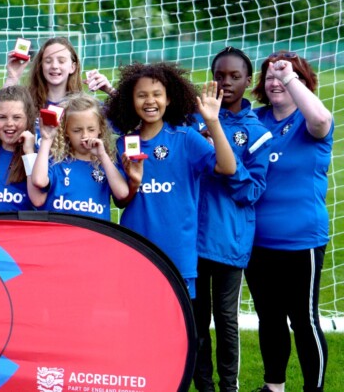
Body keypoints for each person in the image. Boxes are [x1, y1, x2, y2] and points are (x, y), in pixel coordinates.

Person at [104, 62, 237, 299]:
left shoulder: (185, 138)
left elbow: (228, 168)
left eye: (157, 94)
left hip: (177, 255)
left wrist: (213, 122)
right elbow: (120, 200)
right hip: (136, 250)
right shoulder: (124, 144)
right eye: (142, 95)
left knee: (175, 318)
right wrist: (134, 182)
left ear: (168, 99)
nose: (150, 101)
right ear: (131, 101)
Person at [245, 51, 333, 392]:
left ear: (301, 82)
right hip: (256, 240)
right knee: (270, 319)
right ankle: (274, 387)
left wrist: (288, 76)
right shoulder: (255, 119)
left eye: (283, 76)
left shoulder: (310, 120)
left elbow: (321, 119)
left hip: (302, 240)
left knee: (303, 320)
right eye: (269, 76)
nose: (275, 82)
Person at [191, 47, 273, 392]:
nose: (226, 82)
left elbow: (251, 191)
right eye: (219, 75)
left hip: (230, 239)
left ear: (248, 81)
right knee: (196, 317)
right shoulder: (193, 120)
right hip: (192, 238)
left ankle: (229, 387)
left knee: (225, 319)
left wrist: (222, 151)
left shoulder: (257, 132)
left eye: (234, 76)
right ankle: (204, 386)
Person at [28, 94, 137, 219]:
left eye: (91, 129)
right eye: (77, 130)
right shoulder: (56, 161)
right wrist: (47, 140)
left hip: (93, 231)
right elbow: (39, 181)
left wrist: (102, 156)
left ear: (100, 129)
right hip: (60, 230)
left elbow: (122, 193)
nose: (85, 135)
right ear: (66, 131)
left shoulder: (106, 165)